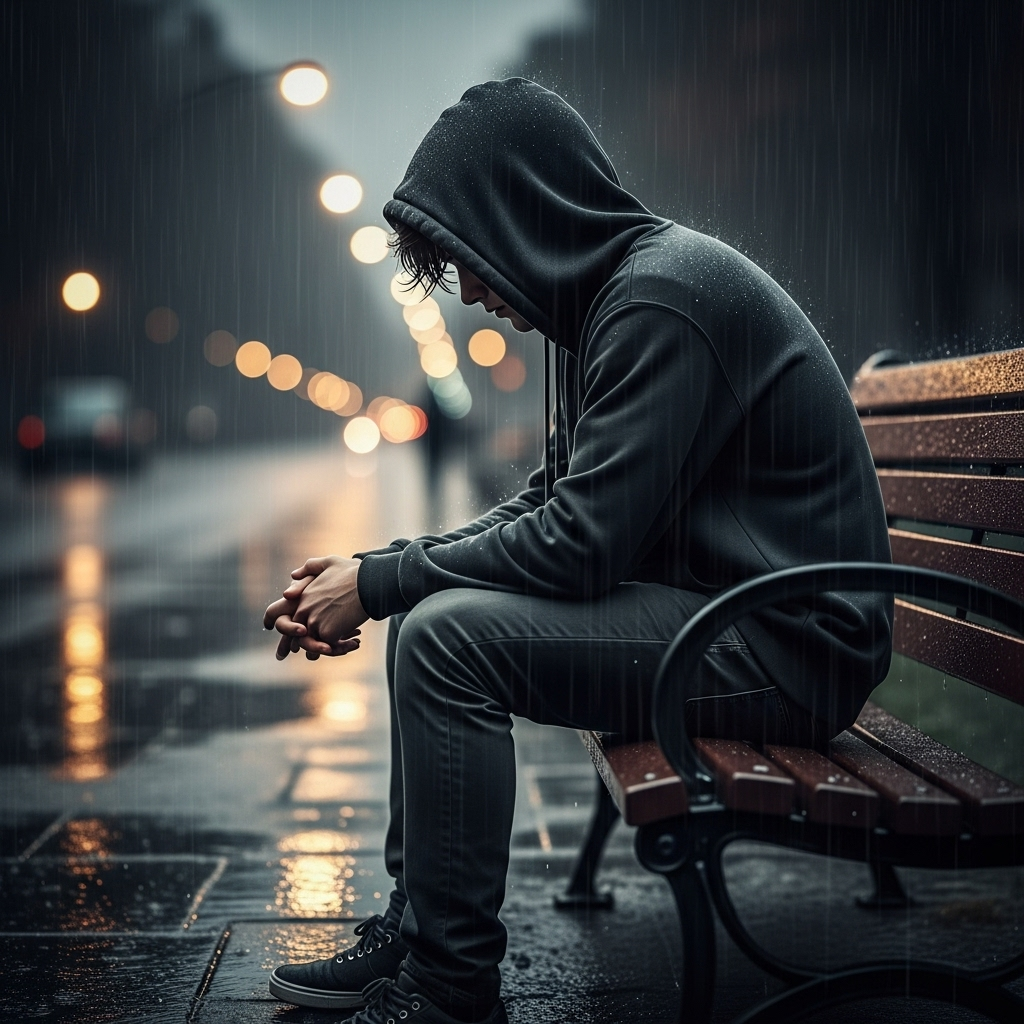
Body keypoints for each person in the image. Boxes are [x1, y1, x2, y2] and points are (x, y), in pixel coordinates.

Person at [263, 78, 892, 1024]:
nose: (472, 291)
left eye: (470, 261)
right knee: (430, 625)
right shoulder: (622, 298)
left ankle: (447, 986)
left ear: (524, 213)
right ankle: (422, 926)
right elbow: (550, 502)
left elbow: (579, 550)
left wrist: (385, 585)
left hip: (791, 648)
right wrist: (375, 569)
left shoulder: (661, 302)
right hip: (734, 617)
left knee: (444, 641)